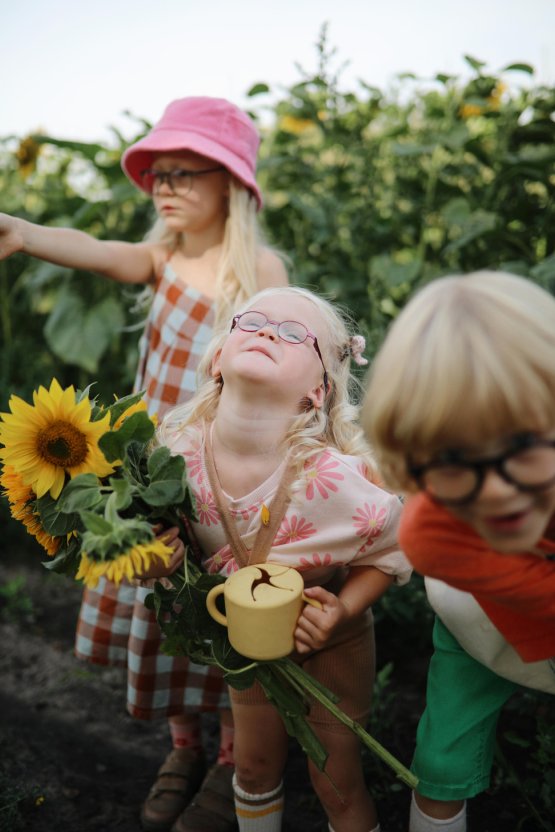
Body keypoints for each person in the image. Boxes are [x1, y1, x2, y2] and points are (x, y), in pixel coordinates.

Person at [0, 96, 288, 832]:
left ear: (231, 183)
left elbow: (286, 363)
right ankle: (183, 749)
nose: (165, 186)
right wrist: (27, 234)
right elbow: (97, 249)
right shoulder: (163, 257)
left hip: (222, 468)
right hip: (149, 472)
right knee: (167, 612)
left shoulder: (257, 267)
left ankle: (232, 761)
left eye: (186, 172)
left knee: (219, 614)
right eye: (158, 173)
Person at [143, 284, 412, 832]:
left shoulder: (330, 478)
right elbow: (162, 538)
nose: (268, 331)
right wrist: (153, 557)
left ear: (318, 390)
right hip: (248, 648)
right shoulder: (175, 452)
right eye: (253, 321)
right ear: (219, 357)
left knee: (335, 783)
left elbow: (395, 546)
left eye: (294, 334)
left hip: (329, 640)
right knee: (254, 766)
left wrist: (342, 609)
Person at [361, 270, 555, 832]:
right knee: (441, 756)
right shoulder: (433, 535)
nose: (495, 490)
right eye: (451, 463)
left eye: (521, 445)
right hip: (484, 619)